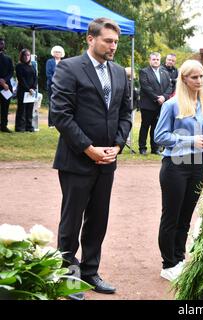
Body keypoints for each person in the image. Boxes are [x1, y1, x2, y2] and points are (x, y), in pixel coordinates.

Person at [51, 18, 132, 299]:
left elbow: (126, 113)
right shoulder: (69, 68)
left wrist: (118, 146)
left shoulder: (120, 73)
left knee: (99, 219)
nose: (113, 46)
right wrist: (88, 148)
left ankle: (90, 271)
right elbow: (60, 114)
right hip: (76, 160)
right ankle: (68, 277)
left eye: (116, 42)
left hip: (108, 160)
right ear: (90, 39)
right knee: (71, 222)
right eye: (108, 41)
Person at [154, 59, 203, 281]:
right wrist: (191, 140)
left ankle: (179, 258)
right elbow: (160, 137)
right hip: (175, 166)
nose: (199, 81)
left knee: (186, 217)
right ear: (184, 79)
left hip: (198, 165)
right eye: (194, 77)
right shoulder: (171, 105)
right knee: (172, 216)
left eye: (201, 76)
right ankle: (168, 264)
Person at [138, 52, 172, 155]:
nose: (156, 61)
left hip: (160, 105)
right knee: (145, 126)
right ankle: (142, 148)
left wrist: (164, 97)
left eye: (157, 59)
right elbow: (145, 87)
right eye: (154, 59)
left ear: (160, 60)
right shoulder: (144, 72)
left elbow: (169, 86)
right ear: (150, 60)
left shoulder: (164, 72)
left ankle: (155, 148)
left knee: (156, 127)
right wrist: (157, 98)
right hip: (148, 105)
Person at [15, 48, 37, 132]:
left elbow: (35, 78)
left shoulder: (32, 66)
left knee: (29, 109)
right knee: (21, 110)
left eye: (28, 55)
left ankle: (29, 126)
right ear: (22, 56)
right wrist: (28, 89)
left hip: (31, 92)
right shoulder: (19, 66)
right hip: (22, 91)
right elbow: (21, 79)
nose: (27, 57)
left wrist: (33, 88)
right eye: (25, 55)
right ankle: (20, 127)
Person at [45, 45, 65, 128]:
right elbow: (48, 74)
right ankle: (51, 123)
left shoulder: (64, 62)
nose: (57, 53)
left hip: (62, 87)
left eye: (59, 52)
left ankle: (59, 122)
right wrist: (56, 83)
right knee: (52, 104)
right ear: (53, 53)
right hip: (52, 86)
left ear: (62, 54)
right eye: (56, 52)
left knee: (61, 104)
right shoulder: (50, 62)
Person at [0, 38, 14, 133]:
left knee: (5, 107)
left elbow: (11, 72)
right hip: (2, 85)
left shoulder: (8, 59)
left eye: (3, 44)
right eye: (1, 43)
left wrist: (4, 81)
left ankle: (4, 126)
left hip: (6, 88)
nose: (2, 45)